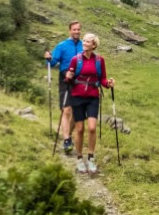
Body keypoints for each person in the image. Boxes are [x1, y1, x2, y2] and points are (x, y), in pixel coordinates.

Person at [65, 32, 114, 175]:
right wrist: (68, 77)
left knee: (92, 128)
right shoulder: (76, 60)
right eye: (84, 41)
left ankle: (91, 158)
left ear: (94, 45)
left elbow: (103, 80)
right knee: (79, 129)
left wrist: (109, 83)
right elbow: (69, 78)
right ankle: (79, 159)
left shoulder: (99, 60)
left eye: (88, 42)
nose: (84, 43)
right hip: (77, 97)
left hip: (93, 97)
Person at [44, 20, 82, 154]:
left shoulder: (84, 45)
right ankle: (66, 140)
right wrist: (48, 58)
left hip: (80, 81)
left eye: (78, 29)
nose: (76, 31)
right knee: (66, 110)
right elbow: (53, 62)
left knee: (76, 112)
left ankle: (68, 135)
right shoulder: (62, 45)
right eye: (74, 29)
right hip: (65, 79)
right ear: (69, 30)